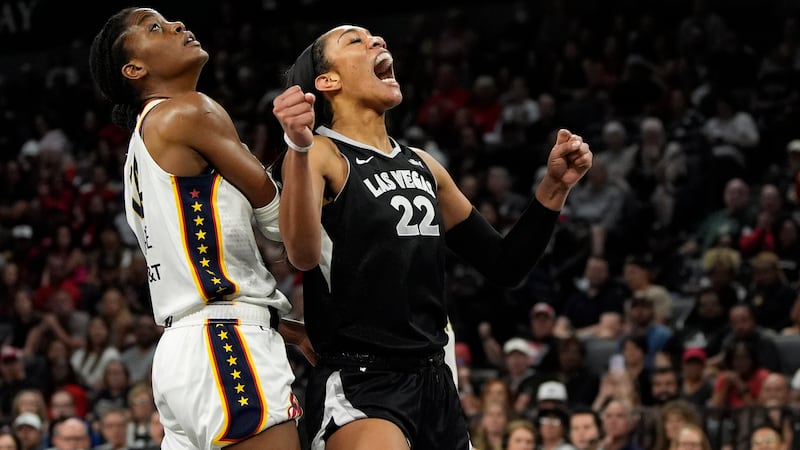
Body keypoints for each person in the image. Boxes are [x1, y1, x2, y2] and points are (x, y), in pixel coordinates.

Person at [271, 24, 592, 450]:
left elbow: (504, 264)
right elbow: (302, 254)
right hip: (363, 380)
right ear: (328, 81)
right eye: (355, 40)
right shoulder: (321, 154)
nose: (378, 41)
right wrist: (298, 146)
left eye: (376, 38)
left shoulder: (423, 163)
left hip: (435, 380)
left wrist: (554, 187)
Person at [88, 7, 308, 450]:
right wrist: (304, 153)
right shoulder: (189, 109)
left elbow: (194, 274)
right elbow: (279, 219)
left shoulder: (137, 152)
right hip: (225, 347)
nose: (178, 26)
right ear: (135, 69)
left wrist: (289, 328)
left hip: (181, 356)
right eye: (155, 27)